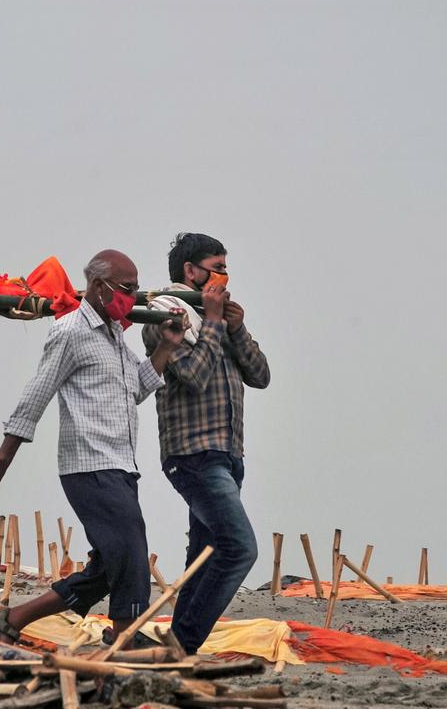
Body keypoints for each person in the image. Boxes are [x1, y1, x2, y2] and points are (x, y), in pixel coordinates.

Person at [0, 249, 185, 645]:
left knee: (108, 565)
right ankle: (125, 636)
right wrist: (2, 459)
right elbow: (37, 394)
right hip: (89, 464)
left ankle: (12, 619)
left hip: (120, 465)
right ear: (99, 287)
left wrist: (166, 348)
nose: (133, 298)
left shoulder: (114, 336)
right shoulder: (71, 332)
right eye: (126, 289)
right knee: (132, 549)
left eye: (136, 289)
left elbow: (134, 389)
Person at [141, 233, 271, 655]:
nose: (224, 275)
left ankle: (176, 644)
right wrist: (214, 322)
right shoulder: (164, 314)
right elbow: (194, 377)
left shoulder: (217, 320)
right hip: (193, 454)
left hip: (228, 455)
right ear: (191, 271)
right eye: (216, 267)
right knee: (239, 548)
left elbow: (261, 375)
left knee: (205, 551)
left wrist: (235, 326)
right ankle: (184, 644)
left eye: (225, 267)